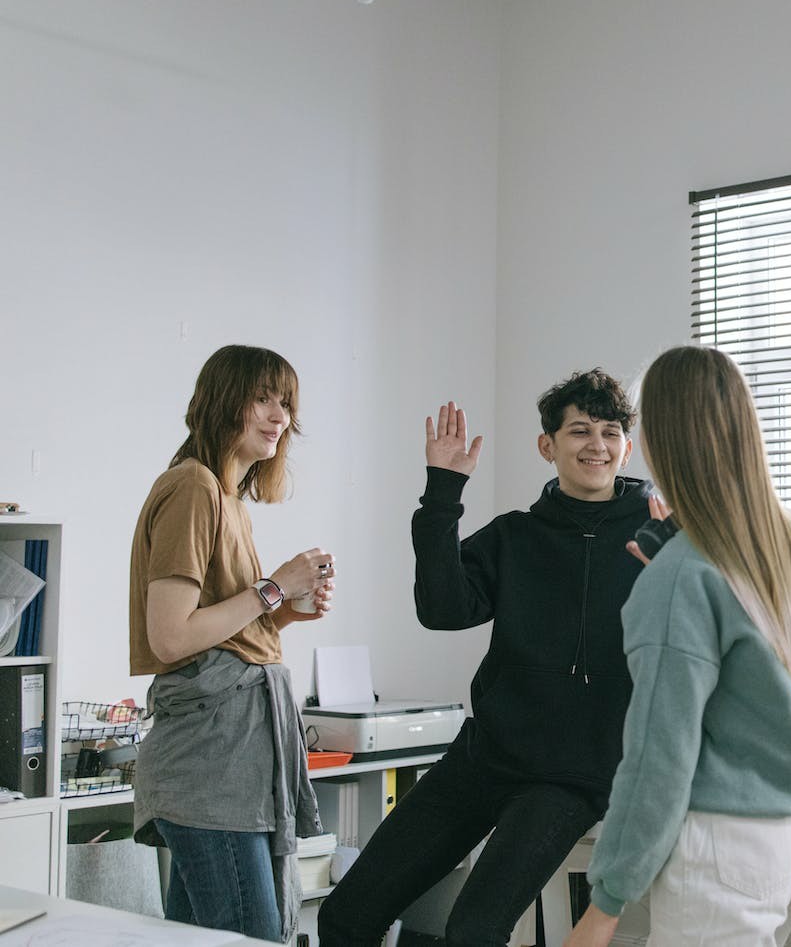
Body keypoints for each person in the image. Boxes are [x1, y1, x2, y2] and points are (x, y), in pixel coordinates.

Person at [318, 370, 651, 947]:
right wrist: (443, 491)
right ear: (547, 445)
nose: (597, 445)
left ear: (627, 444)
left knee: (472, 932)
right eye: (579, 431)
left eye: (610, 431)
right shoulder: (515, 536)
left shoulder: (659, 535)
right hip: (487, 756)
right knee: (345, 916)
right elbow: (442, 609)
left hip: (575, 775)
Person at [567, 345, 791, 947]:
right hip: (785, 839)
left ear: (657, 441)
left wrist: (603, 906)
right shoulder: (787, 544)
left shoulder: (683, 575)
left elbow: (660, 757)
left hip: (716, 847)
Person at [130, 344, 334, 942]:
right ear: (224, 401)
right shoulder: (193, 488)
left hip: (232, 761)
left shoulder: (226, 499)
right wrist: (275, 588)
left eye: (286, 403)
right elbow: (169, 638)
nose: (279, 416)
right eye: (263, 398)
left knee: (198, 936)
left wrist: (287, 612)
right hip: (211, 765)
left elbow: (223, 638)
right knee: (252, 935)